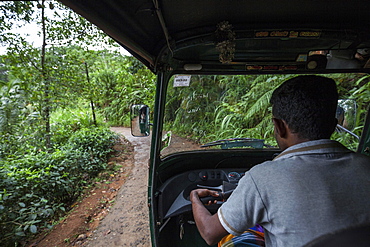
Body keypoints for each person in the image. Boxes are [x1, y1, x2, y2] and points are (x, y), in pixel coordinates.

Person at [190, 75, 370, 247]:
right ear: (333, 125)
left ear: (279, 127)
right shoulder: (365, 166)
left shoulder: (264, 177)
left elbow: (209, 233)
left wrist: (194, 199)